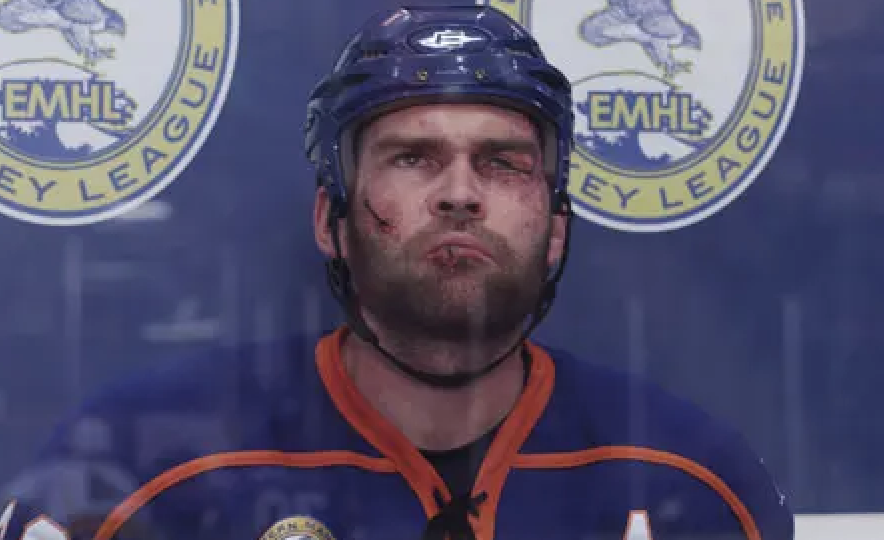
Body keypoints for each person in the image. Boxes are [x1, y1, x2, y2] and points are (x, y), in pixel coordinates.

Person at [1, 6, 794, 540]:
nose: (458, 193)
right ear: (331, 221)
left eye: (503, 163)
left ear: (556, 228)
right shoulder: (141, 470)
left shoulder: (690, 480)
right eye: (413, 158)